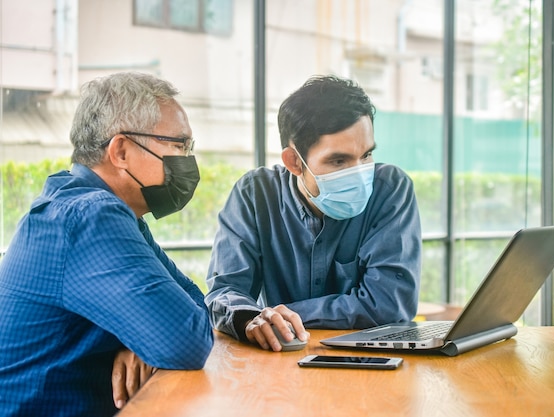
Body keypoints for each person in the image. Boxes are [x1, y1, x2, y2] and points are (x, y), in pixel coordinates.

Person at [0, 72, 214, 416]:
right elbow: (188, 340)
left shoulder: (105, 210)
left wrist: (142, 340)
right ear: (122, 151)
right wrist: (154, 336)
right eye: (178, 145)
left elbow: (195, 307)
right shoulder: (90, 216)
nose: (187, 159)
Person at [205, 75, 421, 352]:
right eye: (338, 160)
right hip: (279, 359)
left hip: (369, 361)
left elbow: (388, 305)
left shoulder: (390, 188)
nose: (359, 173)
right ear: (294, 161)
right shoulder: (255, 193)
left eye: (366, 155)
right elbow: (224, 292)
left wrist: (278, 315)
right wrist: (250, 318)